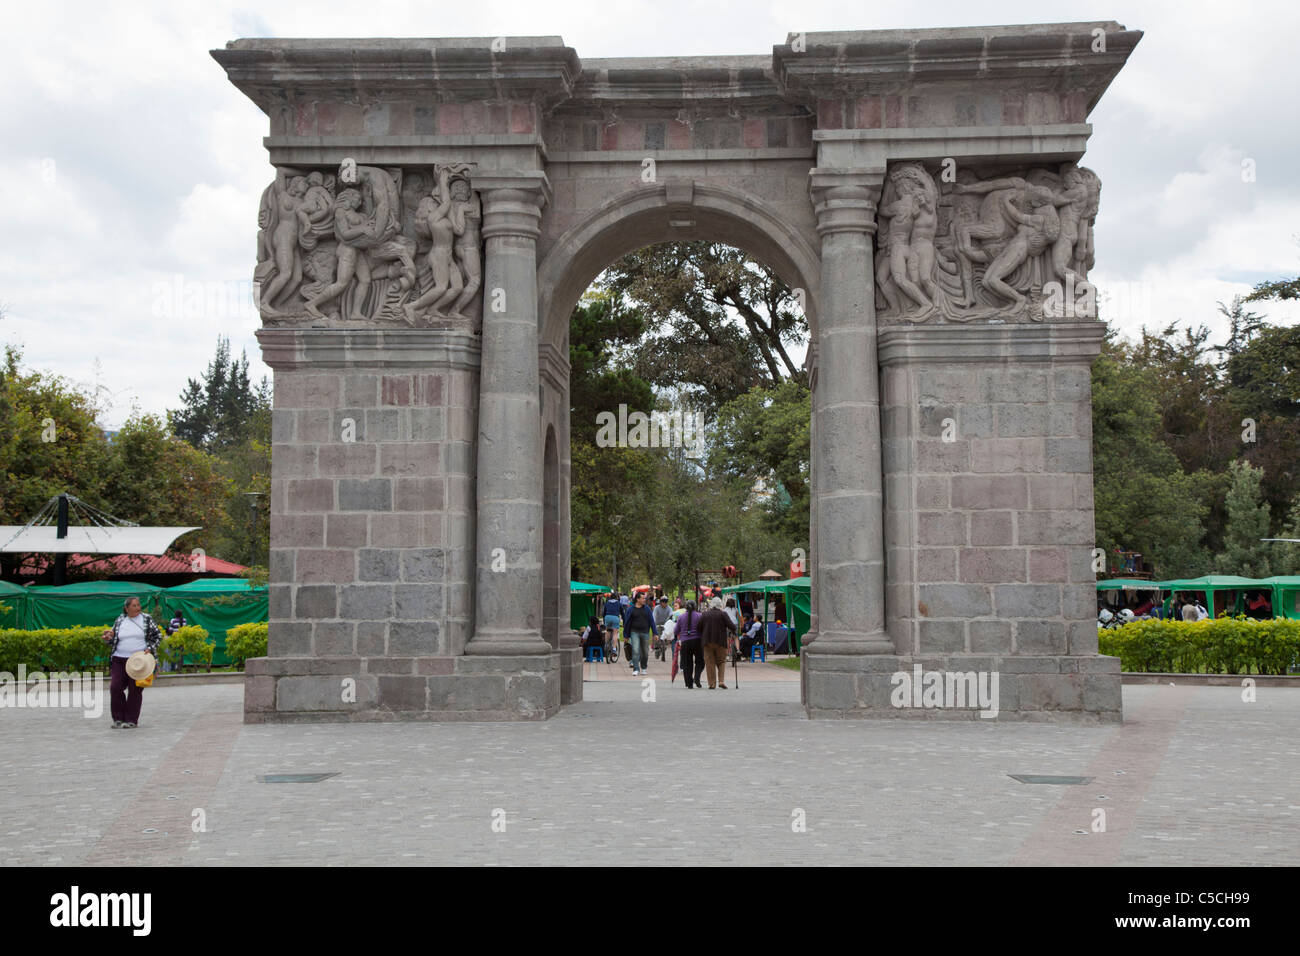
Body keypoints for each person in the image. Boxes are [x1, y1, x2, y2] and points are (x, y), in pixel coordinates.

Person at [101, 597, 163, 729]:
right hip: (119, 659)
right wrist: (108, 638)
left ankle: (131, 720)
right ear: (126, 608)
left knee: (135, 690)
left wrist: (150, 648)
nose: (137, 608)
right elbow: (113, 639)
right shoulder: (120, 620)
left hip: (139, 661)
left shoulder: (146, 619)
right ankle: (118, 718)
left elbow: (158, 636)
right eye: (134, 606)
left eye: (138, 605)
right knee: (115, 687)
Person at [699, 596, 738, 689]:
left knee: (709, 662)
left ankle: (712, 683)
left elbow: (698, 627)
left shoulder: (705, 614)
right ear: (720, 605)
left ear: (711, 605)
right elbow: (732, 626)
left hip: (707, 642)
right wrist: (733, 631)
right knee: (721, 661)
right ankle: (721, 681)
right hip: (721, 642)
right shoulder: (723, 614)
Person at [622, 591, 658, 677]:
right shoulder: (631, 609)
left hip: (645, 633)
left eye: (644, 598)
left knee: (645, 652)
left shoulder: (647, 609)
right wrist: (626, 635)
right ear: (637, 599)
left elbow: (652, 621)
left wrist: (655, 633)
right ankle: (636, 669)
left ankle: (644, 667)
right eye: (643, 598)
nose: (644, 600)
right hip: (634, 632)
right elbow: (627, 623)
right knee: (635, 651)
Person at [676, 600, 705, 689]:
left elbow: (676, 630)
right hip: (697, 641)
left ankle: (689, 683)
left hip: (685, 642)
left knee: (687, 663)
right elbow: (703, 628)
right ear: (695, 607)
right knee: (700, 661)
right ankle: (697, 677)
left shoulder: (681, 617)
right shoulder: (700, 616)